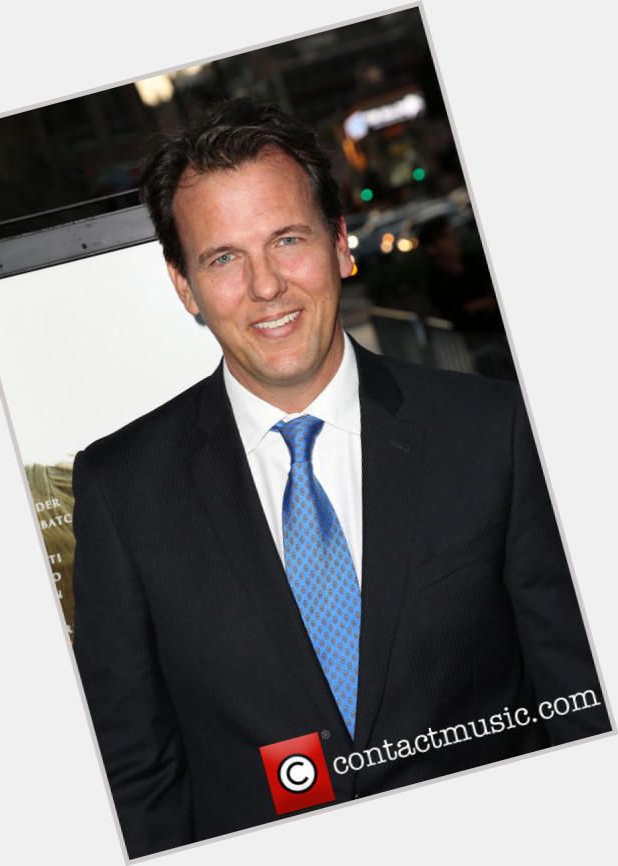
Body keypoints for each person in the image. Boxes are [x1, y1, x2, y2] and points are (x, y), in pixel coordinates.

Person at [72, 98, 609, 860]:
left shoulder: (493, 431)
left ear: (339, 244)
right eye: (223, 258)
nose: (265, 286)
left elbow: (579, 700)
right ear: (184, 286)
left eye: (287, 240)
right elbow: (135, 775)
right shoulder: (119, 490)